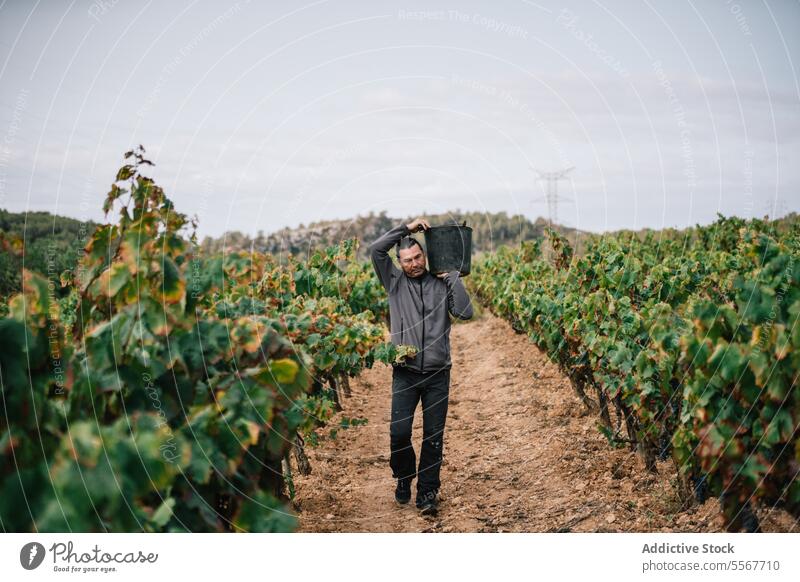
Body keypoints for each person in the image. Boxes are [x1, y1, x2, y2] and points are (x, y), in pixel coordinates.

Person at [369, 217, 474, 516]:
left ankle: (427, 492)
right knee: (399, 433)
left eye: (417, 258)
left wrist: (453, 276)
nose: (413, 264)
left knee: (433, 437)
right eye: (406, 260)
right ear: (399, 263)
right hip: (405, 372)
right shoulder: (394, 283)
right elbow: (377, 250)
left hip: (439, 373)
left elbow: (465, 312)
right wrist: (407, 229)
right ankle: (403, 477)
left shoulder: (441, 283)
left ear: (425, 257)